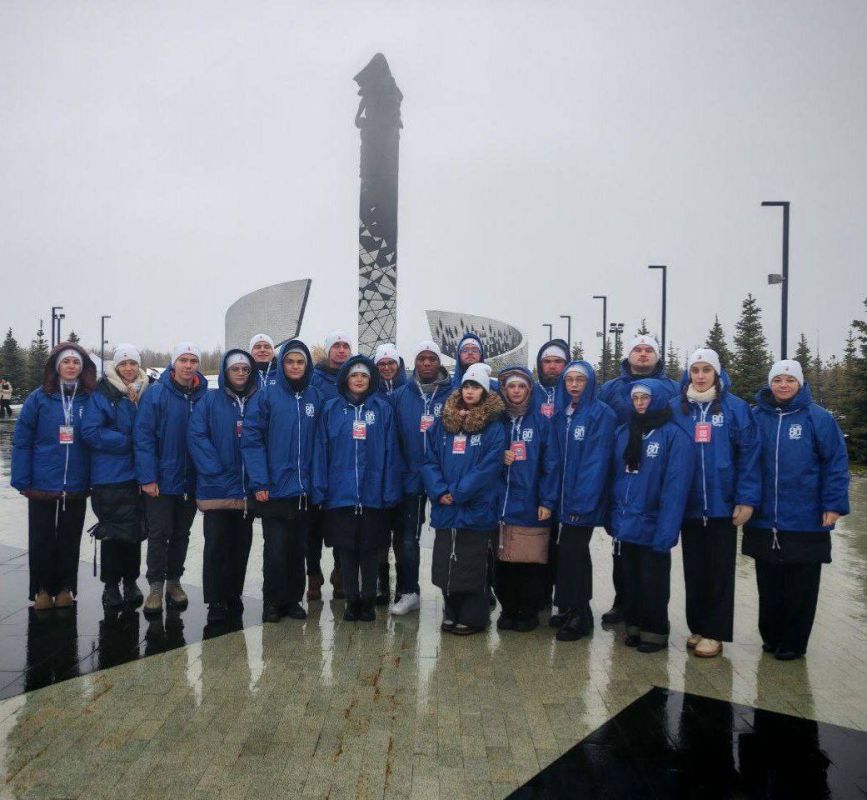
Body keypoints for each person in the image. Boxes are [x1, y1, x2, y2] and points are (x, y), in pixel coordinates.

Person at [742, 359, 849, 660]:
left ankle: (794, 641)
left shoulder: (818, 418)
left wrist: (834, 504)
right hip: (764, 519)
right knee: (769, 582)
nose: (784, 385)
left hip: (805, 518)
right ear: (770, 383)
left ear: (800, 383)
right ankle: (772, 635)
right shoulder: (755, 417)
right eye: (778, 380)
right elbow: (744, 461)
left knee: (800, 586)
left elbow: (835, 463)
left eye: (790, 380)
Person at [671, 349, 761, 658]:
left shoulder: (735, 409)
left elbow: (749, 456)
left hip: (723, 505)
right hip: (689, 505)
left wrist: (747, 499)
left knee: (720, 571)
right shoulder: (677, 409)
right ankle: (698, 626)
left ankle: (715, 632)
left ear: (717, 373)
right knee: (694, 569)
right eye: (694, 369)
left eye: (706, 369)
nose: (699, 375)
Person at [312, 355, 402, 621]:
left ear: (371, 379)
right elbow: (321, 451)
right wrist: (321, 488)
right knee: (346, 551)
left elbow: (390, 452)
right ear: (346, 379)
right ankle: (352, 600)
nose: (359, 380)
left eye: (364, 375)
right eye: (354, 375)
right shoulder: (331, 409)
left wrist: (389, 489)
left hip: (373, 494)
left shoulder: (382, 409)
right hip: (341, 495)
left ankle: (368, 601)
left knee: (371, 550)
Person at [607, 379, 693, 653]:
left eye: (645, 398)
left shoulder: (673, 436)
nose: (641, 403)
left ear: (656, 400)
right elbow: (615, 477)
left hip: (653, 522)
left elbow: (675, 486)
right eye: (636, 398)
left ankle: (654, 630)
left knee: (652, 581)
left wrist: (667, 530)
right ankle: (633, 625)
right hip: (626, 520)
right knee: (629, 579)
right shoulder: (624, 432)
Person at [598, 334, 679, 624]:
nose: (643, 354)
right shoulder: (610, 389)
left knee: (652, 550)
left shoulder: (672, 389)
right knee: (621, 547)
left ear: (657, 357)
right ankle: (624, 602)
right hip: (622, 474)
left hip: (655, 473)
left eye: (648, 350)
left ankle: (651, 613)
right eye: (637, 349)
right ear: (628, 355)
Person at [422, 363, 506, 635]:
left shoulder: (493, 427)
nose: (470, 391)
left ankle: (473, 617)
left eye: (476, 387)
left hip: (475, 509)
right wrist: (439, 491)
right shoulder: (444, 424)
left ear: (485, 391)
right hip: (446, 508)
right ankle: (451, 610)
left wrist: (458, 493)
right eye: (467, 386)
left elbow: (490, 466)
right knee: (447, 562)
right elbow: (429, 459)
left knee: (471, 564)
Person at [12, 342, 96, 609]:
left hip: (77, 482)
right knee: (41, 537)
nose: (71, 366)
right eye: (66, 362)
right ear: (57, 366)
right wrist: (21, 478)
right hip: (42, 481)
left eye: (76, 363)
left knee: (70, 538)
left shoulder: (89, 398)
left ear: (82, 369)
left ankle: (64, 588)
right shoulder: (39, 398)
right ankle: (42, 590)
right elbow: (22, 440)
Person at [242, 340, 321, 622]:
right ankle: (273, 601)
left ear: (307, 365)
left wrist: (317, 484)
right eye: (290, 362)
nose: (296, 367)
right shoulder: (266, 396)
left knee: (298, 549)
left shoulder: (314, 397)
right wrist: (260, 482)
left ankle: (292, 600)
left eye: (300, 362)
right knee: (275, 549)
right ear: (282, 364)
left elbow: (319, 444)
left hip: (303, 491)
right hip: (274, 490)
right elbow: (252, 440)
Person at [134, 342, 208, 614]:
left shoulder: (204, 396)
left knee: (181, 533)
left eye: (193, 360)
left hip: (190, 480)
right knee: (158, 533)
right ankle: (155, 586)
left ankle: (174, 581)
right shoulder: (156, 395)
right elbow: (143, 438)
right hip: (162, 481)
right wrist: (147, 477)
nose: (188, 365)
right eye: (183, 360)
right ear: (173, 363)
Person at [548, 360, 616, 641]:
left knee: (575, 553)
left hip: (581, 503)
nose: (574, 385)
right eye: (569, 380)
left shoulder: (601, 414)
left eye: (580, 380)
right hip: (562, 500)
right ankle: (568, 606)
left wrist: (583, 503)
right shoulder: (562, 414)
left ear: (590, 383)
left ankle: (581, 614)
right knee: (565, 553)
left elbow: (596, 462)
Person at [188, 349, 257, 623]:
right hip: (217, 488)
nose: (240, 374)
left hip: (246, 489)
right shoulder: (210, 401)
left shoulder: (258, 401)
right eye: (235, 369)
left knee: (241, 545)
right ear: (225, 372)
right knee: (216, 545)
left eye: (245, 369)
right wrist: (213, 468)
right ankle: (215, 598)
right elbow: (196, 435)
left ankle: (233, 593)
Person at [81, 343, 151, 611]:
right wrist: (128, 441)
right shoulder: (103, 393)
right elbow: (90, 431)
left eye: (133, 363)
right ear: (116, 366)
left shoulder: (146, 392)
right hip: (109, 476)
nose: (129, 368)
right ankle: (111, 585)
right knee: (112, 532)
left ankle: (130, 581)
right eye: (123, 364)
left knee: (134, 532)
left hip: (138, 475)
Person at [391, 340, 453, 615]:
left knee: (449, 537)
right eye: (421, 359)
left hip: (444, 478)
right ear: (414, 363)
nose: (426, 363)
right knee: (407, 538)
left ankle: (454, 590)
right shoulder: (401, 396)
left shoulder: (454, 395)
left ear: (439, 362)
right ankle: (408, 591)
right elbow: (393, 439)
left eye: (431, 359)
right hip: (411, 477)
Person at [495, 366, 559, 632]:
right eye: (512, 387)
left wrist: (547, 500)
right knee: (504, 561)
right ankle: (508, 608)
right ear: (504, 390)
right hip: (501, 504)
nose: (517, 391)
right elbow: (482, 457)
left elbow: (551, 463)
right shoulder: (497, 422)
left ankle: (528, 611)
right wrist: (500, 457)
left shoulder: (542, 423)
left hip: (531, 502)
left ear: (529, 390)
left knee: (530, 561)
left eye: (521, 387)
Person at [310, 329, 353, 596]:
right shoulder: (314, 379)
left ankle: (340, 570)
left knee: (340, 520)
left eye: (345, 345)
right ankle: (313, 572)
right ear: (328, 350)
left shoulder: (355, 377)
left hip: (342, 459)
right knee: (312, 524)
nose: (340, 350)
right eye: (336, 345)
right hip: (316, 456)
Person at [373, 342, 407, 605]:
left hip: (405, 473)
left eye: (390, 363)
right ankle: (381, 583)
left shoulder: (408, 392)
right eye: (382, 364)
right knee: (380, 534)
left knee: (404, 537)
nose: (386, 368)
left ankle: (404, 586)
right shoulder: (372, 394)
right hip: (378, 472)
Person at [533, 339, 570, 417]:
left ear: (566, 364)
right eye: (547, 361)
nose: (552, 366)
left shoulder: (574, 392)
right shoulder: (529, 392)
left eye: (558, 361)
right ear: (540, 364)